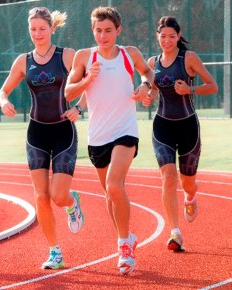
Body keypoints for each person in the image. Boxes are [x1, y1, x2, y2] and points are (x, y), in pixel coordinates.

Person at [65, 6, 154, 275]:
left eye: (108, 31)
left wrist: (145, 87)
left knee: (115, 186)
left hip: (125, 130)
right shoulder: (84, 57)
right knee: (109, 192)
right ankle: (127, 238)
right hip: (98, 136)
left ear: (118, 30)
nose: (103, 36)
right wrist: (87, 79)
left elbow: (148, 74)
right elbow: (69, 92)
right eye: (98, 31)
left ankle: (124, 246)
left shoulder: (130, 54)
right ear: (93, 31)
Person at [0, 7, 84, 270]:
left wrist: (79, 107)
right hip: (36, 133)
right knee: (41, 195)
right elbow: (3, 90)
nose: (37, 34)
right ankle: (54, 251)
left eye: (42, 29)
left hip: (63, 131)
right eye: (33, 29)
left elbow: (90, 81)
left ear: (52, 29)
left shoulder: (67, 56)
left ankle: (72, 202)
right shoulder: (23, 61)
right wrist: (3, 101)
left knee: (58, 195)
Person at [146, 16, 218, 252]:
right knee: (168, 176)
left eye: (172, 36)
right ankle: (175, 232)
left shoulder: (189, 58)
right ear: (158, 36)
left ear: (178, 37)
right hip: (162, 127)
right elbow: (152, 91)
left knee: (188, 183)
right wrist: (148, 95)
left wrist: (190, 89)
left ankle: (189, 197)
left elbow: (212, 85)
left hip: (187, 127)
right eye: (163, 36)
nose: (167, 40)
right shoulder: (151, 62)